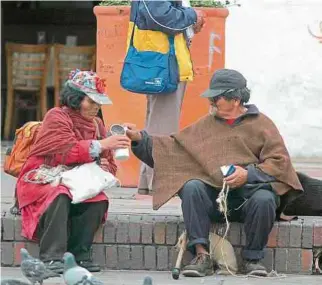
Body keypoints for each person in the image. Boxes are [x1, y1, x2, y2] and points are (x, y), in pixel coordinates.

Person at [125, 69, 303, 277]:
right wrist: (139, 138)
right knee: (192, 187)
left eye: (216, 97)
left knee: (265, 198)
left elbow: (279, 162)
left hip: (248, 199)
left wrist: (248, 174)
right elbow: (171, 147)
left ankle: (253, 259)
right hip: (213, 201)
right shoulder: (206, 124)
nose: (211, 101)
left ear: (235, 99)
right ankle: (202, 256)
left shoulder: (262, 124)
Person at [16, 70, 131, 274]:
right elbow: (65, 151)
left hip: (79, 181)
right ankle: (52, 257)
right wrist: (101, 144)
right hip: (43, 177)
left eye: (98, 103)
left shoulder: (97, 124)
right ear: (76, 99)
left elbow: (108, 162)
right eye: (91, 101)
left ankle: (79, 255)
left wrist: (105, 166)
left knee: (99, 200)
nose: (96, 107)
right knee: (59, 195)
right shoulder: (57, 116)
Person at [127, 0, 205, 194]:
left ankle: (149, 183)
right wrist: (193, 15)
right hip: (165, 63)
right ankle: (159, 184)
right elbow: (162, 17)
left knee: (156, 123)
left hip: (162, 62)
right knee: (163, 125)